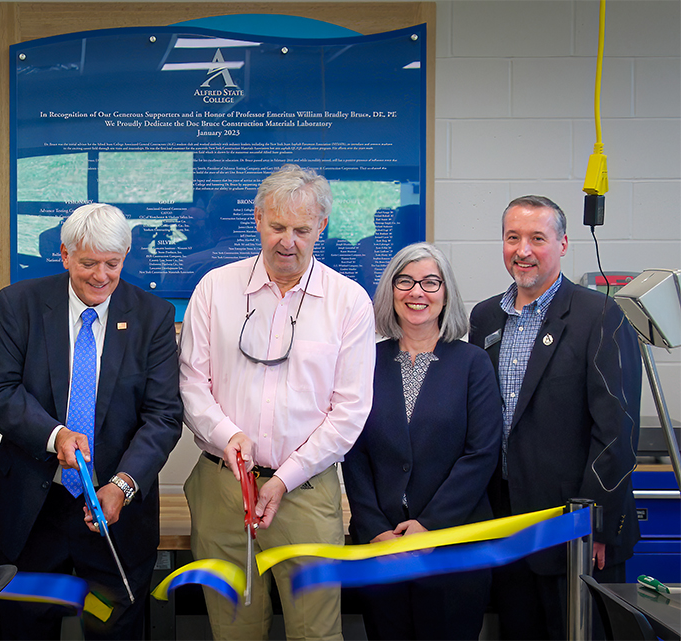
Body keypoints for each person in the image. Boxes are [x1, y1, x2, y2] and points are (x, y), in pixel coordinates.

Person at [179, 164, 376, 640]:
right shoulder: (214, 288)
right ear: (258, 220)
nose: (288, 241)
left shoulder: (348, 302)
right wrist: (230, 438)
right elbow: (190, 383)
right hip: (223, 488)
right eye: (278, 227)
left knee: (316, 632)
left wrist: (284, 478)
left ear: (321, 227)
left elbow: (349, 411)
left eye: (302, 230)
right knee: (232, 631)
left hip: (305, 492)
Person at [0, 203, 183, 640]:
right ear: (65, 254)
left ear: (126, 254)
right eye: (88, 263)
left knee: (112, 629)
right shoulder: (22, 303)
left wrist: (123, 485)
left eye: (113, 263)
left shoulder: (154, 317)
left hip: (114, 513)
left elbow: (163, 416)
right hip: (36, 510)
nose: (101, 276)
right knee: (25, 630)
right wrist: (55, 436)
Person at [468, 195, 641, 640]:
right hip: (509, 527)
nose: (523, 250)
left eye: (537, 238)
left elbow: (616, 432)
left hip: (574, 532)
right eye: (513, 238)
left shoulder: (600, 315)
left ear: (563, 244)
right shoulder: (486, 316)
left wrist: (594, 524)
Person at [342, 242, 501, 640]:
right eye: (406, 281)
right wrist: (374, 528)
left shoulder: (472, 363)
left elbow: (481, 454)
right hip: (383, 548)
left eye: (431, 282)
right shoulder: (365, 360)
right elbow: (352, 451)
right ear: (391, 292)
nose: (417, 292)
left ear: (445, 293)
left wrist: (431, 527)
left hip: (454, 547)